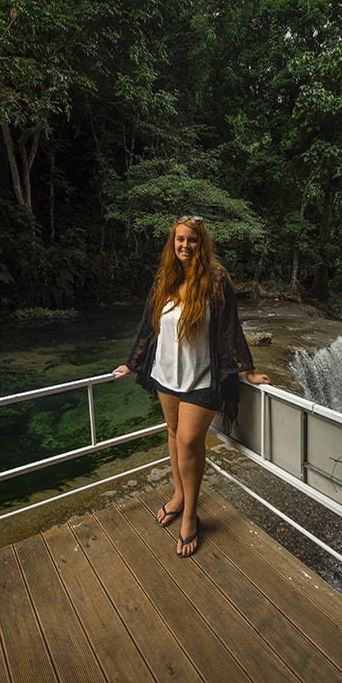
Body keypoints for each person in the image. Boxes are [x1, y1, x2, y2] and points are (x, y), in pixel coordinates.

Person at [113, 215, 270, 557]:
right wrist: (133, 362)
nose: (185, 245)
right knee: (173, 433)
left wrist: (247, 371)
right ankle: (178, 495)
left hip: (203, 376)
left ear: (202, 243)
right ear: (173, 242)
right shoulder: (165, 277)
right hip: (166, 373)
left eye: (192, 240)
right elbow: (149, 324)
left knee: (188, 441)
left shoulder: (215, 278)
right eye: (180, 239)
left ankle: (189, 515)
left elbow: (229, 327)